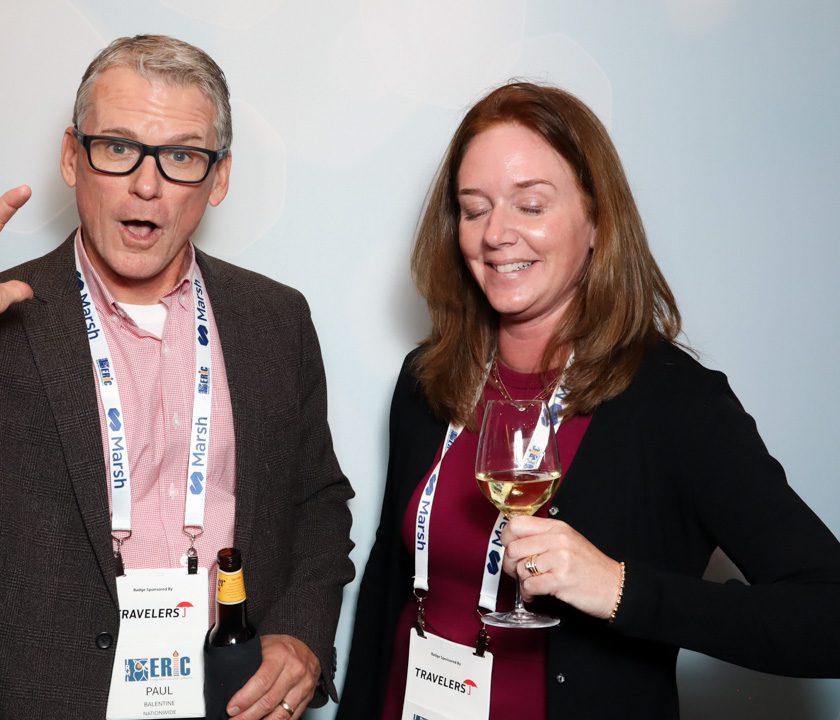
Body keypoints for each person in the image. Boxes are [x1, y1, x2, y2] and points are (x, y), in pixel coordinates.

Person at [0, 34, 353, 720]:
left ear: (219, 178)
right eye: (117, 147)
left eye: (181, 156)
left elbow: (317, 502)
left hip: (221, 703)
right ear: (71, 156)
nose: (147, 184)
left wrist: (301, 632)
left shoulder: (277, 319)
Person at [337, 82, 840, 719]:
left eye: (531, 205)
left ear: (598, 221)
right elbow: (388, 589)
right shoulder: (428, 379)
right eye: (474, 208)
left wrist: (620, 589)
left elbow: (827, 614)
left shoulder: (676, 404)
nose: (496, 234)